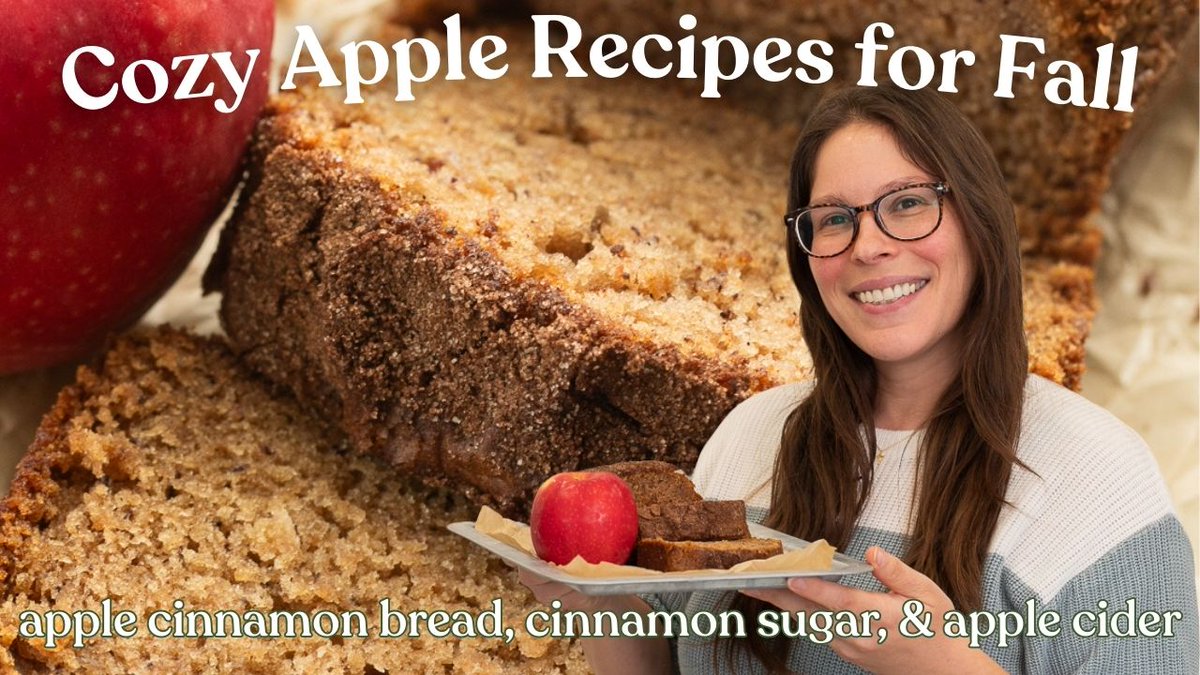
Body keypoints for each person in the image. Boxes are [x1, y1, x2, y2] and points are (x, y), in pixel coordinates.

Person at [520, 84, 1198, 674]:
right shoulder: (749, 437)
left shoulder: (1098, 477)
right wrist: (597, 606)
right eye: (835, 219)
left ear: (980, 219)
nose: (868, 246)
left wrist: (945, 666)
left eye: (907, 204)